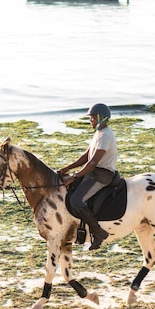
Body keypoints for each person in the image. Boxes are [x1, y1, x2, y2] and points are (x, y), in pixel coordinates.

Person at [59, 103, 118, 250]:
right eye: (90, 117)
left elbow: (92, 163)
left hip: (102, 175)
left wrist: (74, 176)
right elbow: (86, 157)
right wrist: (66, 168)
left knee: (76, 200)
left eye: (92, 117)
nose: (90, 120)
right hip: (93, 172)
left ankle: (98, 232)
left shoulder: (106, 136)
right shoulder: (98, 134)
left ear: (101, 117)